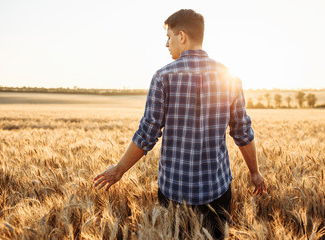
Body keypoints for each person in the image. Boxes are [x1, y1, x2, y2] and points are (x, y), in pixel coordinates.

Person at [93, 9, 266, 239]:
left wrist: (118, 170)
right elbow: (243, 132)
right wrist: (255, 173)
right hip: (217, 189)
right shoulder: (230, 78)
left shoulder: (163, 77)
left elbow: (147, 133)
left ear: (182, 36)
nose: (167, 44)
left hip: (174, 192)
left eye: (169, 37)